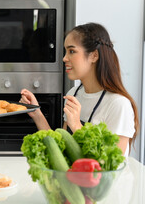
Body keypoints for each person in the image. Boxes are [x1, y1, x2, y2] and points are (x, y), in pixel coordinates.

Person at [20, 23, 139, 156]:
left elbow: (113, 163)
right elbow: (61, 151)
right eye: (66, 51)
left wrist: (77, 126)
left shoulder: (118, 104)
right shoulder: (74, 94)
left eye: (72, 51)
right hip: (74, 176)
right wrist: (37, 113)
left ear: (94, 56)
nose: (64, 58)